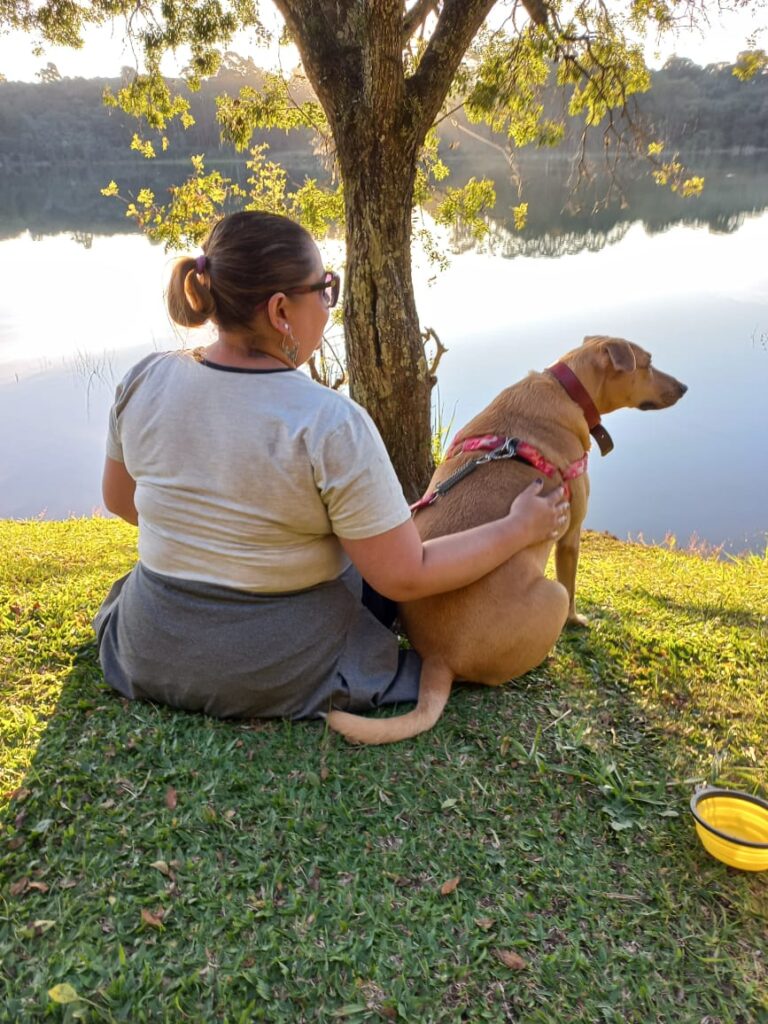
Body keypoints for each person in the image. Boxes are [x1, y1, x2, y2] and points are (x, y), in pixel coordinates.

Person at [93, 210, 569, 721]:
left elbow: (120, 501)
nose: (328, 304)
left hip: (148, 645)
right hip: (272, 664)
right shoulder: (330, 422)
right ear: (280, 310)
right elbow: (406, 576)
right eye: (324, 289)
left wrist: (225, 539)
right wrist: (519, 528)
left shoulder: (144, 379)